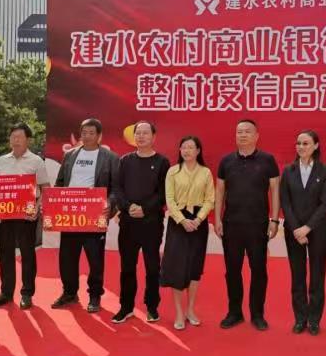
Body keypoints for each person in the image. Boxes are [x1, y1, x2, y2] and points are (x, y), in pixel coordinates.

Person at [214, 119, 280, 331]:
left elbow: (275, 191)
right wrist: (217, 219)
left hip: (258, 225)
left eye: (247, 131)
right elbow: (220, 191)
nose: (242, 135)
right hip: (231, 224)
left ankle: (257, 314)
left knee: (258, 270)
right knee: (232, 271)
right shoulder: (226, 161)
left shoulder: (267, 160)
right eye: (239, 132)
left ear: (256, 135)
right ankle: (234, 312)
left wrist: (275, 219)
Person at [51, 118, 119, 314]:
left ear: (99, 136)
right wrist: (54, 204)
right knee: (67, 258)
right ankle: (69, 293)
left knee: (95, 260)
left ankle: (95, 295)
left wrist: (110, 203)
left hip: (94, 215)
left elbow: (117, 188)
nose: (87, 136)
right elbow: (60, 183)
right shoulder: (70, 155)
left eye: (91, 133)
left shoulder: (110, 157)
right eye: (84, 133)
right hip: (70, 215)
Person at [0, 124, 50, 310]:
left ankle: (27, 293)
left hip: (26, 215)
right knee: (5, 253)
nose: (15, 140)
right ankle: (5, 293)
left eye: (19, 137)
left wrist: (37, 208)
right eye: (13, 137)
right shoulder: (1, 161)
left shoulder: (36, 161)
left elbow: (45, 188)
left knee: (27, 253)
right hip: (3, 214)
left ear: (28, 140)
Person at [111, 121, 170, 324]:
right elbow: (117, 188)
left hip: (151, 223)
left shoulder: (162, 162)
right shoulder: (125, 161)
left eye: (145, 133)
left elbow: (163, 193)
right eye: (138, 133)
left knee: (152, 267)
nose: (141, 136)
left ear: (153, 137)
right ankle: (126, 307)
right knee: (127, 267)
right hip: (128, 223)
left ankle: (152, 306)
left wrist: (144, 208)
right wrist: (128, 207)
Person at [279, 130, 326, 336]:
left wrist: (307, 227)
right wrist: (296, 229)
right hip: (293, 232)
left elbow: (325, 203)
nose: (301, 147)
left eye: (306, 143)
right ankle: (300, 318)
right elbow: (285, 202)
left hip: (317, 230)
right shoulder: (288, 171)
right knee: (297, 275)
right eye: (299, 143)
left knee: (317, 275)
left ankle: (314, 320)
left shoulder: (325, 171)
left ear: (316, 146)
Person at [160, 135, 215, 330]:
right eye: (184, 147)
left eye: (191, 147)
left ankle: (190, 310)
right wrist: (182, 220)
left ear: (198, 151)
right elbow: (169, 199)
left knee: (194, 268)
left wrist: (198, 220)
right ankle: (178, 312)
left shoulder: (205, 172)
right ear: (180, 150)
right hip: (178, 222)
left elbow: (210, 200)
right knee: (177, 268)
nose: (187, 151)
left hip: (198, 222)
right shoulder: (173, 171)